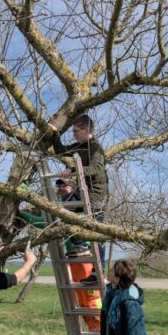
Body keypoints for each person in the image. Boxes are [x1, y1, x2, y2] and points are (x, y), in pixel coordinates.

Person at [49, 114, 109, 283]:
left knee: (97, 234)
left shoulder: (95, 147)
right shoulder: (81, 146)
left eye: (76, 131)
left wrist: (74, 171)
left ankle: (99, 274)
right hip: (85, 191)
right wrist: (55, 135)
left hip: (96, 195)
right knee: (67, 205)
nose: (74, 134)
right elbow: (62, 151)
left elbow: (97, 168)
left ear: (86, 130)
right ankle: (80, 244)